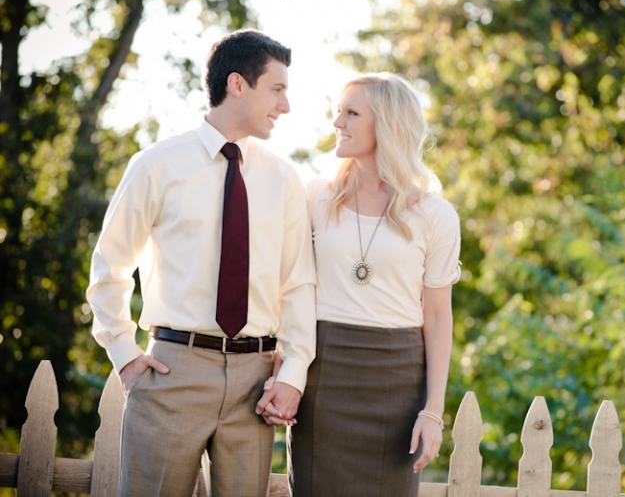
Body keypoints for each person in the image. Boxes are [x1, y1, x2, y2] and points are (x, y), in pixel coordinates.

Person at [86, 29, 316, 497]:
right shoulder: (156, 165)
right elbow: (108, 267)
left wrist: (292, 374)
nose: (286, 105)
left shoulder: (283, 179)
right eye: (277, 89)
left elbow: (297, 286)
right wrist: (125, 356)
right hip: (173, 374)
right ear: (237, 84)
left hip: (256, 384)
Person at [276, 72, 461, 496]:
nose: (337, 123)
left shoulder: (436, 215)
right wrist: (284, 365)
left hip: (396, 379)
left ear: (388, 124)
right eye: (338, 112)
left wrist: (432, 412)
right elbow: (290, 288)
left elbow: (436, 315)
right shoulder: (315, 197)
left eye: (351, 113)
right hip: (324, 371)